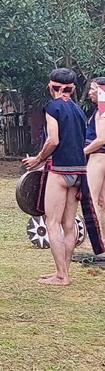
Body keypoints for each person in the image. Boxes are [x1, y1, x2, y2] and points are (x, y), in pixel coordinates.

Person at [22, 69, 104, 284]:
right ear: (73, 88)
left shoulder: (52, 107)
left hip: (59, 172)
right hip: (79, 172)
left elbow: (53, 140)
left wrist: (37, 160)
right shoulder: (78, 110)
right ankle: (63, 271)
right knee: (69, 224)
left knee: (52, 222)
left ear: (51, 86)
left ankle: (61, 275)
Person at [83, 76, 105, 249]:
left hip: (98, 157)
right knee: (103, 201)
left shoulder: (102, 111)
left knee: (92, 199)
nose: (90, 92)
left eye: (93, 89)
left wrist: (81, 152)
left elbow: (100, 140)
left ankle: (94, 240)